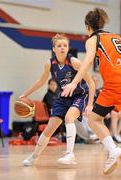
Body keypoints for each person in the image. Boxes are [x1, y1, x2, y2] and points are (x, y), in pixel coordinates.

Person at [62, 8, 121, 175]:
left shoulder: (92, 39)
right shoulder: (116, 37)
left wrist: (74, 82)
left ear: (88, 26)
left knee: (94, 120)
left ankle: (113, 151)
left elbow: (87, 61)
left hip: (117, 81)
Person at [20, 34, 95, 166]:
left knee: (69, 118)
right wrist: (25, 94)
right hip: (64, 96)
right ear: (53, 49)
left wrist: (89, 105)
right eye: (59, 46)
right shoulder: (50, 64)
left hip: (80, 95)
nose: (62, 48)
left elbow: (91, 83)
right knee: (49, 129)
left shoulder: (75, 62)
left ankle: (70, 154)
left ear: (68, 48)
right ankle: (34, 156)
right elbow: (41, 81)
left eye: (65, 46)